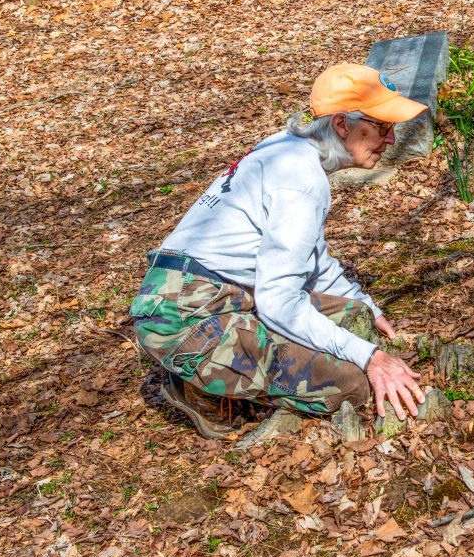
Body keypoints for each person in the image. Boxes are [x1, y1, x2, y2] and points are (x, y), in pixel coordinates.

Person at [129, 63, 428, 439]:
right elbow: (279, 301)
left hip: (209, 293)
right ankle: (198, 385)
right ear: (341, 125)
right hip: (182, 316)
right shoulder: (300, 179)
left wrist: (364, 303)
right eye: (383, 127)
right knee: (352, 385)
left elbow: (312, 258)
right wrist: (371, 358)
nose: (390, 139)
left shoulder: (287, 151)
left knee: (352, 316)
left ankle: (224, 362)